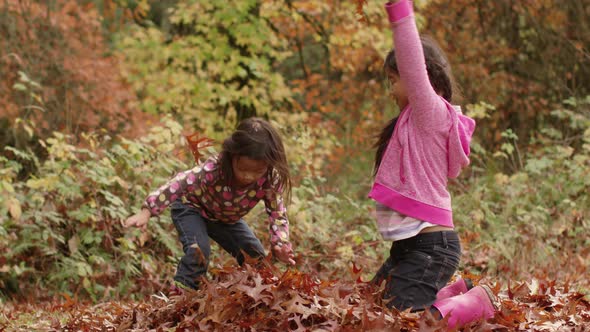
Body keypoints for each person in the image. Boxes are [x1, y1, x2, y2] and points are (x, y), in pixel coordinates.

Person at [368, 0, 495, 328]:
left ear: (416, 77)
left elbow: (411, 60)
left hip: (431, 247)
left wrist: (399, 10)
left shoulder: (430, 113)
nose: (392, 89)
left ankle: (473, 304)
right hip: (411, 246)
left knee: (403, 323)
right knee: (372, 303)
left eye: (394, 79)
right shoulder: (413, 122)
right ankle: (451, 292)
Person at [125, 117, 296, 291]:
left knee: (256, 257)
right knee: (198, 252)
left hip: (225, 219)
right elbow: (179, 183)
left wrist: (280, 244)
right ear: (232, 157)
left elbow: (278, 214)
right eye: (243, 169)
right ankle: (179, 298)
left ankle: (251, 298)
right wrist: (146, 211)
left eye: (257, 171)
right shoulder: (215, 168)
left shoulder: (269, 180)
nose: (248, 177)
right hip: (191, 208)